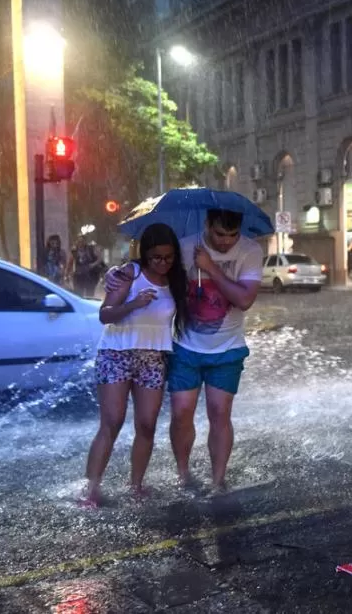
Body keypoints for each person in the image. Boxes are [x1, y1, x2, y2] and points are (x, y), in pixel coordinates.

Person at [106, 209, 262, 491]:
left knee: (219, 412)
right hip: (184, 345)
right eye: (218, 234)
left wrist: (211, 267)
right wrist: (117, 272)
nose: (226, 241)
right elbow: (150, 267)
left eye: (232, 235)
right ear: (207, 225)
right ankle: (183, 473)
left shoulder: (250, 251)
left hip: (227, 348)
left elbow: (245, 299)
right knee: (181, 413)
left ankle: (218, 480)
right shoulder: (185, 246)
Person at [82, 223, 189, 507]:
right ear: (145, 254)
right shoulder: (131, 272)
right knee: (112, 422)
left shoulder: (177, 280)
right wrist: (135, 303)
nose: (162, 263)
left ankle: (136, 485)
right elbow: (106, 315)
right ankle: (91, 490)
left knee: (147, 424)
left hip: (153, 358)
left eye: (168, 257)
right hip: (117, 353)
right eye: (156, 257)